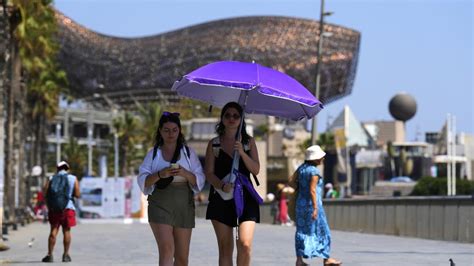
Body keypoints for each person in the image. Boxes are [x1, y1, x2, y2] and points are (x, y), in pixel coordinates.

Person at [137, 111, 205, 266]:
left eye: (174, 130)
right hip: (160, 203)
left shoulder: (188, 153)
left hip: (184, 205)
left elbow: (199, 179)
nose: (170, 134)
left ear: (179, 131)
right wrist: (161, 174)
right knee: (167, 249)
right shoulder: (153, 154)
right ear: (160, 131)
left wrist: (184, 173)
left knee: (182, 258)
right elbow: (143, 180)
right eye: (166, 130)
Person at [205, 102, 260, 266]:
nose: (231, 118)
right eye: (227, 115)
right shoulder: (214, 144)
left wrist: (242, 153)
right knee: (225, 248)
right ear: (222, 118)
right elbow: (209, 173)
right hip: (221, 197)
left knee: (244, 244)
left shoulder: (248, 142)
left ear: (241, 119)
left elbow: (256, 170)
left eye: (236, 115)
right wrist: (221, 185)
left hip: (246, 196)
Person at [290, 145, 342, 266]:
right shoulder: (314, 171)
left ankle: (299, 260)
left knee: (301, 232)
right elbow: (313, 190)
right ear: (315, 159)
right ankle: (326, 259)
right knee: (323, 231)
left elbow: (291, 181)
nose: (322, 159)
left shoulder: (301, 168)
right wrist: (315, 208)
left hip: (300, 205)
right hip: (312, 205)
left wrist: (300, 189)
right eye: (321, 157)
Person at [42, 161, 80, 263]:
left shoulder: (51, 178)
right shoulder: (73, 178)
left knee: (53, 231)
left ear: (57, 169)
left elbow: (44, 193)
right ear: (67, 168)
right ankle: (66, 255)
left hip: (54, 209)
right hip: (68, 208)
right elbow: (77, 194)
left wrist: (50, 204)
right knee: (66, 231)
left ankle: (49, 255)